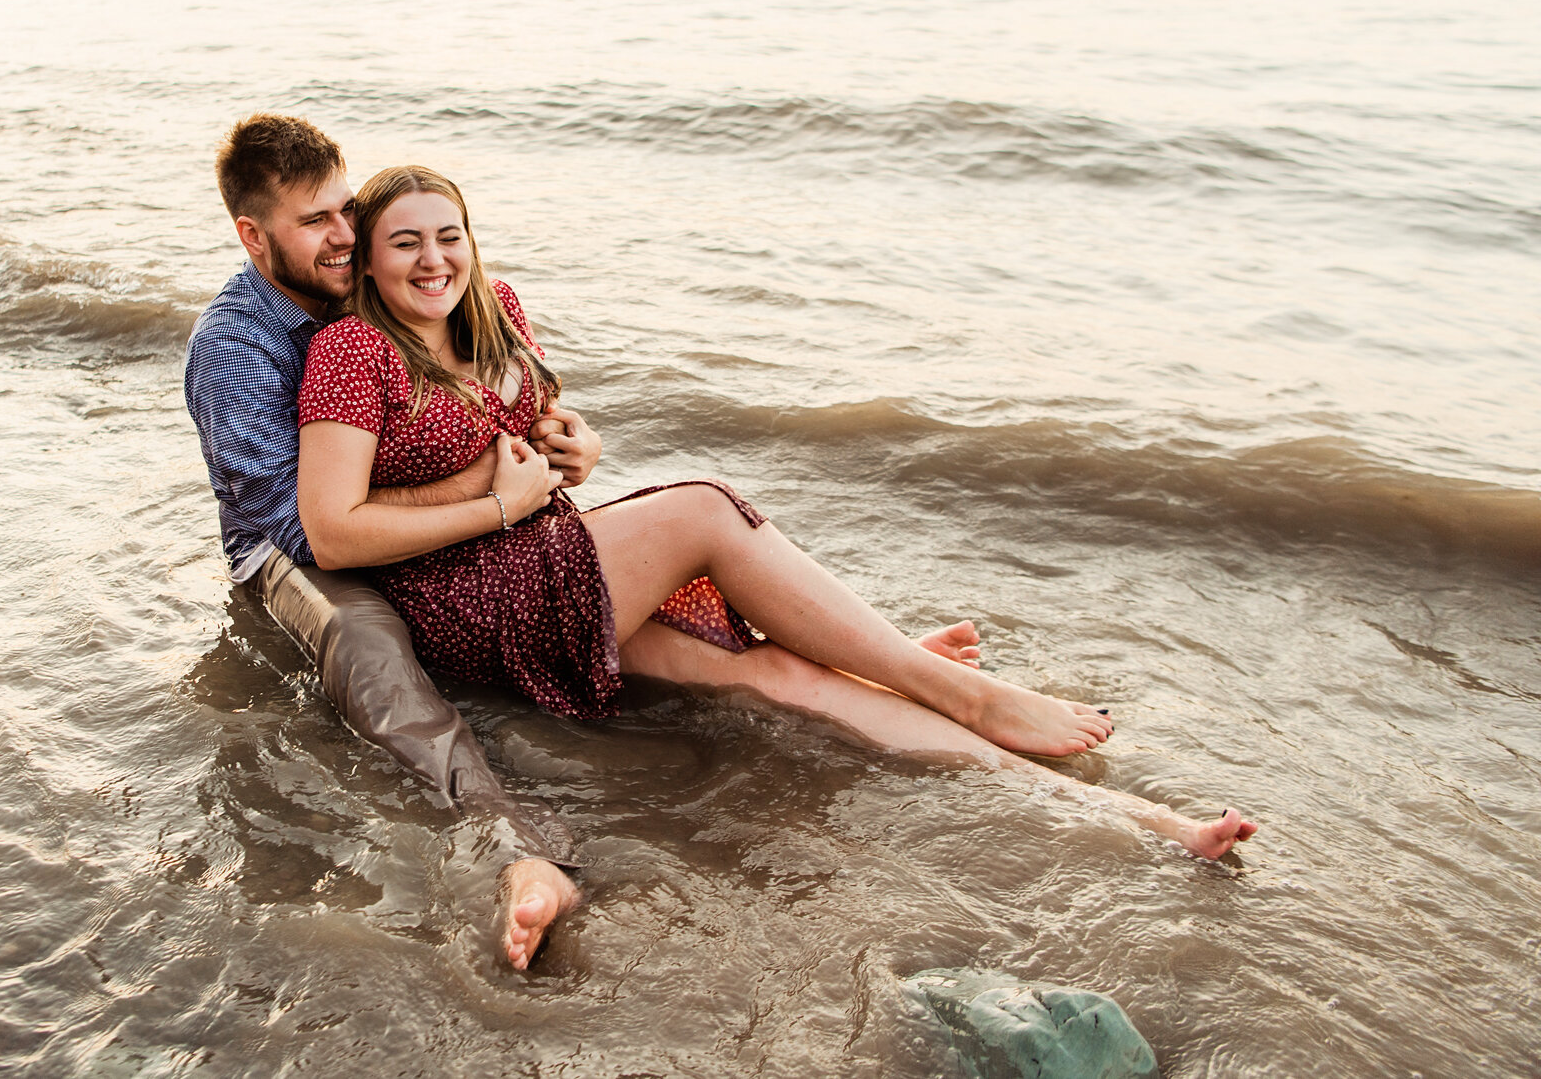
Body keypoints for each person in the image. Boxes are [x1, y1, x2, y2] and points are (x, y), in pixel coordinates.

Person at [294, 164, 1260, 960]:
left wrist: (573, 450)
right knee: (707, 509)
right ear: (371, 265)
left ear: (473, 237)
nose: (435, 259)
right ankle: (960, 690)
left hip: (548, 560)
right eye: (407, 243)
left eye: (449, 234)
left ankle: (1140, 822)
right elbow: (333, 532)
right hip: (463, 601)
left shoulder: (496, 307)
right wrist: (502, 499)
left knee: (783, 672)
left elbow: (546, 431)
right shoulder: (351, 353)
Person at [182, 114, 588, 972]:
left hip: (398, 514)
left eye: (345, 209)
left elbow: (486, 398)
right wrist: (487, 488)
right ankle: (515, 844)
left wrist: (562, 443)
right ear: (254, 237)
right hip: (289, 553)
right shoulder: (236, 348)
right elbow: (309, 530)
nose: (343, 236)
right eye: (314, 222)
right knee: (370, 642)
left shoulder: (365, 291)